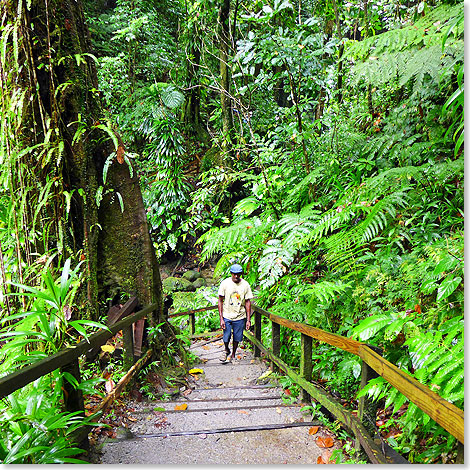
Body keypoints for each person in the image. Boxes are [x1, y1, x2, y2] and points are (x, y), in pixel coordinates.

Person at [218, 264, 253, 363]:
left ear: (241, 274)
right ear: (231, 274)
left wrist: (248, 320)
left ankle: (233, 354)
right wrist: (221, 318)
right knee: (226, 335)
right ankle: (226, 350)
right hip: (227, 315)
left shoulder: (245, 285)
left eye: (238, 274)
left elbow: (247, 302)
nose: (236, 276)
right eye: (234, 274)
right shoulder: (225, 283)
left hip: (240, 315)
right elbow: (220, 300)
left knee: (237, 337)